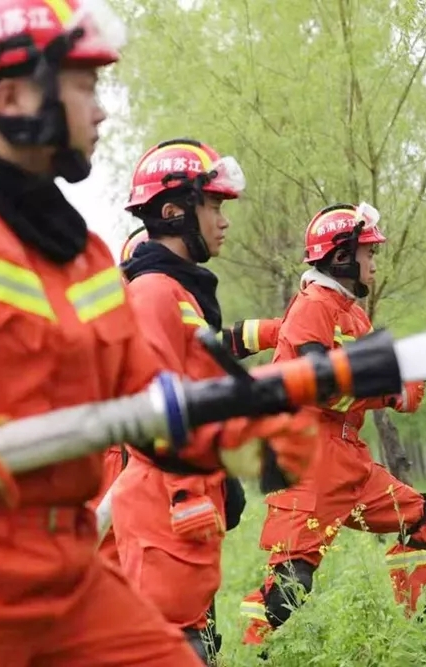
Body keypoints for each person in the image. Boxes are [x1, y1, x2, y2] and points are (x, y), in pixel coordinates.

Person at [0, 2, 316, 664]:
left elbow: (144, 406)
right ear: (11, 97)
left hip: (71, 577)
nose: (101, 111)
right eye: (84, 86)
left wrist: (238, 441)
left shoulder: (84, 257)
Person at [103, 141, 283, 664]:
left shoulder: (182, 295)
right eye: (214, 206)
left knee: (191, 639)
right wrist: (186, 491)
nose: (223, 221)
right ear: (175, 211)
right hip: (164, 506)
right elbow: (151, 402)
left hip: (182, 502)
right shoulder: (154, 293)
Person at [240, 202, 426, 648]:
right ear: (341, 257)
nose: (374, 262)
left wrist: (410, 371)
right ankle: (249, 651)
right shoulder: (312, 307)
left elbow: (364, 377)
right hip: (309, 461)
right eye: (369, 252)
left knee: (421, 519)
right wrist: (393, 391)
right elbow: (320, 388)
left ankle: (425, 635)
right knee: (288, 588)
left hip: (351, 460)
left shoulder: (352, 313)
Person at [91, 222, 282, 575]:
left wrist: (272, 332)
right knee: (116, 562)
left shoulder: (168, 303)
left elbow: (209, 348)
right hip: (130, 455)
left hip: (157, 452)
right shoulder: (143, 306)